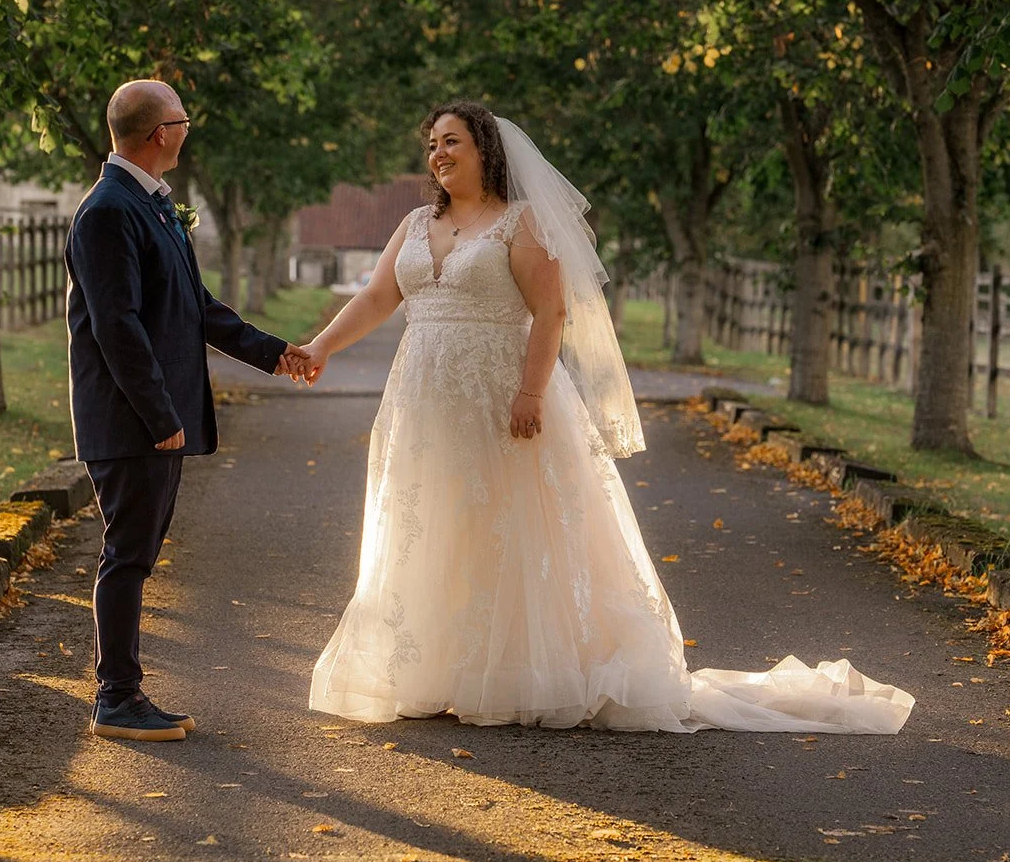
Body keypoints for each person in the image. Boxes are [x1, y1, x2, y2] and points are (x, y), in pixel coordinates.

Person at [300, 101, 915, 733]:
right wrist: (319, 346)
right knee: (433, 521)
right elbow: (378, 297)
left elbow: (550, 313)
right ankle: (434, 669)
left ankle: (518, 670)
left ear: (486, 149)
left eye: (452, 141)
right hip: (424, 401)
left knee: (505, 526)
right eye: (432, 144)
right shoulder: (412, 223)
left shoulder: (521, 221)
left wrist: (532, 394)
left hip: (502, 394)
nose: (439, 154)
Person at [66, 79, 309, 742]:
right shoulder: (109, 211)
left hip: (150, 419)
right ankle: (116, 696)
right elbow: (117, 329)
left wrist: (274, 352)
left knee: (136, 553)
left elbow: (195, 308)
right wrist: (158, 414)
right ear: (160, 134)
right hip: (128, 422)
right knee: (127, 555)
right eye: (183, 120)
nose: (187, 129)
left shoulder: (153, 204)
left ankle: (123, 691)